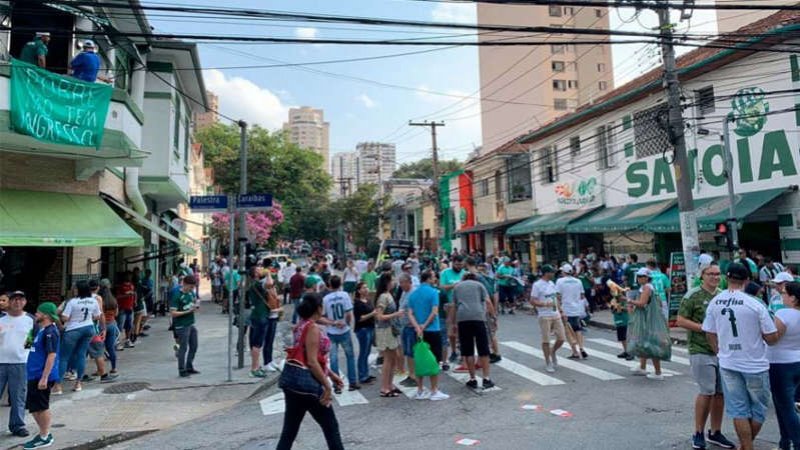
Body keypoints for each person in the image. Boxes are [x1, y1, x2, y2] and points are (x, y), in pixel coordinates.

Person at [702, 263, 780, 450]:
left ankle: (746, 446)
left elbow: (709, 332)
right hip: (755, 364)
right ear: (747, 280)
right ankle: (747, 446)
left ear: (726, 278)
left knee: (738, 410)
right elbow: (771, 339)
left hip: (728, 362)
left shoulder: (715, 302)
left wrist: (718, 351)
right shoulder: (755, 304)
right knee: (758, 410)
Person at [676, 263, 736, 450]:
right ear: (702, 276)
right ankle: (698, 432)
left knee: (720, 393)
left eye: (718, 274)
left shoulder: (723, 295)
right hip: (700, 349)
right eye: (711, 274)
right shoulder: (692, 296)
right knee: (707, 391)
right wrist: (703, 328)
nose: (715, 277)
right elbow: (680, 320)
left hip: (722, 350)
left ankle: (715, 431)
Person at [276, 293, 345, 450]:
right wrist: (327, 385)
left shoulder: (301, 325)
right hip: (309, 385)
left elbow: (307, 357)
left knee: (289, 432)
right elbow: (312, 362)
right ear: (319, 308)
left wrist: (331, 375)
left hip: (294, 384)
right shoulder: (312, 328)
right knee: (331, 428)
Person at [767, 281, 800, 450]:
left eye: (784, 294)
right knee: (783, 405)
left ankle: (797, 441)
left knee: (786, 407)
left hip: (780, 363)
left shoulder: (783, 314)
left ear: (793, 298)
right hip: (796, 360)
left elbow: (773, 338)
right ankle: (784, 441)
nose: (782, 297)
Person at [407, 270, 449, 401]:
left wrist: (417, 327)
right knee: (434, 360)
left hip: (418, 330)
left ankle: (420, 389)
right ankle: (434, 390)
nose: (435, 279)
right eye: (433, 277)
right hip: (433, 329)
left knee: (420, 359)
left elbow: (410, 313)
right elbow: (434, 312)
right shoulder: (433, 292)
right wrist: (424, 325)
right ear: (429, 279)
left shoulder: (413, 294)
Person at [23, 302, 60, 450]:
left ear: (45, 315)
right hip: (33, 374)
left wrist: (44, 377)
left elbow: (51, 355)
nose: (36, 314)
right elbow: (29, 346)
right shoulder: (41, 330)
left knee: (42, 406)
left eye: (38, 312)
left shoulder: (51, 332)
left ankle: (45, 436)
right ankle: (44, 433)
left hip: (41, 375)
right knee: (33, 407)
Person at [56, 281, 103, 394]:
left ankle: (58, 385)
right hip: (88, 328)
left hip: (73, 329)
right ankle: (78, 383)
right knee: (81, 355)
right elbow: (97, 316)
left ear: (79, 289)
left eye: (76, 288)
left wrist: (66, 317)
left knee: (64, 357)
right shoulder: (93, 300)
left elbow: (65, 318)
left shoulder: (72, 302)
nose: (74, 290)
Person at [453, 272, 496, 390]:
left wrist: (453, 323)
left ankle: (472, 379)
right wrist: (493, 317)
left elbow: (455, 305)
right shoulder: (479, 285)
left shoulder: (457, 287)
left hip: (463, 318)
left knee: (468, 350)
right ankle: (486, 378)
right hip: (478, 317)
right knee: (483, 349)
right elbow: (488, 302)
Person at [0, 291, 34, 438]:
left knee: (18, 396)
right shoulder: (1, 319)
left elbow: (33, 339)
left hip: (20, 363)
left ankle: (17, 425)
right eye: (14, 299)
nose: (17, 302)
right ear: (9, 302)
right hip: (0, 362)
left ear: (24, 302)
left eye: (20, 299)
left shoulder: (30, 320)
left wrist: (24, 352)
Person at [627, 268, 667, 381]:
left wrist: (629, 300)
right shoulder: (648, 287)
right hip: (649, 317)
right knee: (643, 341)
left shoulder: (647, 288)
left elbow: (642, 303)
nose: (638, 278)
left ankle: (658, 372)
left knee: (651, 344)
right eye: (638, 276)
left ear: (647, 278)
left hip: (648, 318)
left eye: (641, 276)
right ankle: (642, 366)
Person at [322, 276, 358, 392]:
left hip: (332, 331)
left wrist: (333, 323)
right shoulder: (345, 295)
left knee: (333, 359)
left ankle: (337, 385)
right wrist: (346, 323)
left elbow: (323, 316)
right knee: (350, 356)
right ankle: (352, 382)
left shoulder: (326, 299)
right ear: (340, 284)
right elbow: (349, 313)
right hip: (344, 330)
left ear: (330, 285)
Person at [530, 265, 566, 373]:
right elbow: (532, 300)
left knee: (561, 338)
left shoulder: (552, 283)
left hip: (555, 313)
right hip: (544, 315)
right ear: (546, 273)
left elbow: (555, 298)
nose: (553, 274)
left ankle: (553, 351)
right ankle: (548, 362)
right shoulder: (537, 285)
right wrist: (544, 304)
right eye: (552, 272)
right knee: (546, 340)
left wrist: (561, 310)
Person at [374, 273, 404, 397]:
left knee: (392, 358)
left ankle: (390, 385)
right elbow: (379, 316)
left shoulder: (388, 295)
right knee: (388, 359)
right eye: (392, 280)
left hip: (391, 329)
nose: (394, 282)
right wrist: (396, 314)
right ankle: (384, 387)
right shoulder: (383, 297)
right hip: (385, 330)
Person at [557, 264, 589, 360]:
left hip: (565, 309)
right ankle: (581, 347)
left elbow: (557, 296)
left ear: (564, 272)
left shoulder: (560, 281)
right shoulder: (578, 281)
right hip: (576, 309)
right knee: (577, 329)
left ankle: (575, 351)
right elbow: (582, 296)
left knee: (568, 331)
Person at [171, 276, 200, 377]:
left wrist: (196, 305)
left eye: (193, 287)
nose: (191, 289)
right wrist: (187, 312)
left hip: (190, 323)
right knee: (183, 347)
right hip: (181, 325)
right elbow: (173, 313)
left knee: (194, 345)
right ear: (184, 284)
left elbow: (194, 301)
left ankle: (189, 366)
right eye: (190, 287)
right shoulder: (177, 295)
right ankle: (182, 369)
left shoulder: (191, 293)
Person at [440, 255, 466, 363]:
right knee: (451, 330)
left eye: (461, 265)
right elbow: (441, 287)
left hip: (463, 305)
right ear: (453, 263)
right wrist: (453, 285)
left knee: (462, 330)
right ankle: (454, 351)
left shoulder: (465, 273)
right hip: (450, 305)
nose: (459, 267)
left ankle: (462, 352)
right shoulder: (445, 273)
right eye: (457, 264)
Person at [352, 282, 377, 385]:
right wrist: (372, 313)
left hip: (370, 328)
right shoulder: (357, 303)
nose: (366, 289)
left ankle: (366, 373)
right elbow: (360, 318)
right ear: (359, 291)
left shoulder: (368, 300)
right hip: (363, 329)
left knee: (367, 352)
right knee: (363, 353)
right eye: (363, 288)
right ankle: (362, 375)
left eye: (366, 287)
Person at [247, 268, 270, 378]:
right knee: (257, 343)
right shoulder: (257, 284)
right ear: (256, 274)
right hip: (261, 315)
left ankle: (256, 365)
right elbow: (269, 284)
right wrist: (268, 274)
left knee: (255, 343)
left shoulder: (253, 284)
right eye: (258, 269)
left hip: (256, 315)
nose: (261, 269)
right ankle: (254, 368)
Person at [99, 279, 119, 377]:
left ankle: (100, 370)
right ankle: (114, 368)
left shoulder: (100, 301)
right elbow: (116, 313)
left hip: (102, 326)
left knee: (99, 349)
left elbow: (99, 314)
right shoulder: (113, 300)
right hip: (112, 324)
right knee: (111, 348)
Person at [115, 272, 136, 349]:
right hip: (122, 308)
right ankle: (117, 342)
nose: (129, 277)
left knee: (129, 326)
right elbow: (117, 297)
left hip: (130, 308)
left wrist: (134, 301)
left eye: (130, 276)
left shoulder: (132, 285)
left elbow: (134, 294)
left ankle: (127, 340)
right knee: (120, 326)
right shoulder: (121, 286)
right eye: (128, 276)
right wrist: (126, 295)